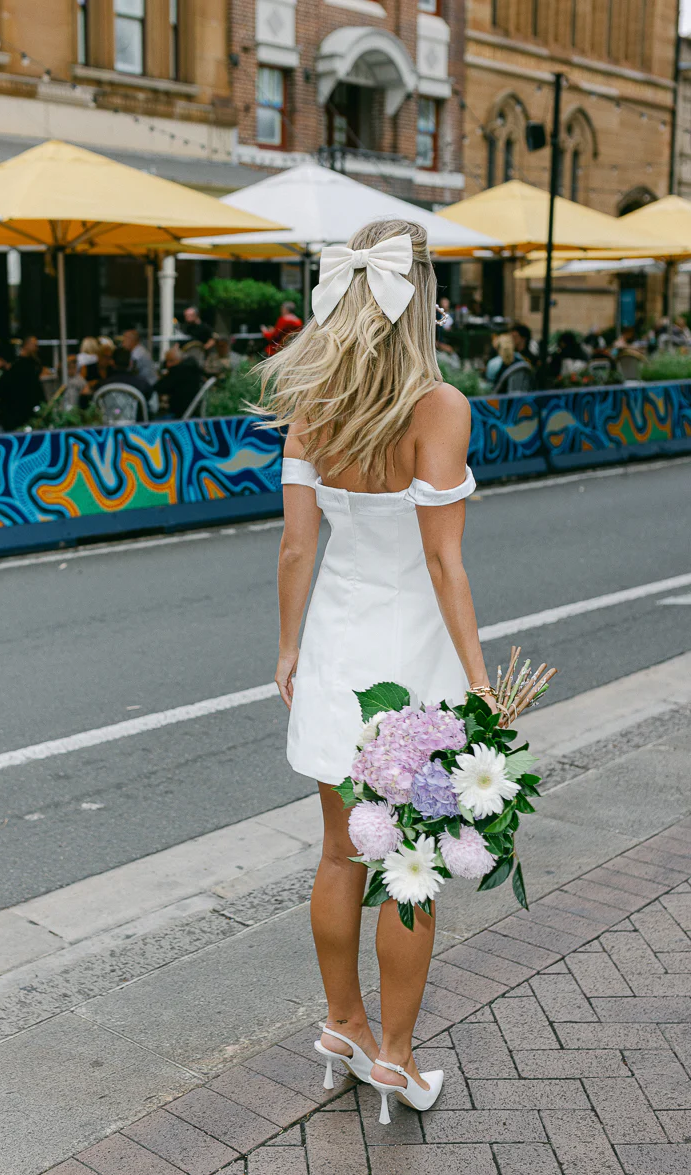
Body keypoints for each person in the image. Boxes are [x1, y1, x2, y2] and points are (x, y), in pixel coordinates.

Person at [256, 219, 496, 1122]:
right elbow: (444, 564)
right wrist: (478, 681)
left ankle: (342, 1024)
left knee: (335, 852)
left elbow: (294, 545)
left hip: (334, 645)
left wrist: (287, 650)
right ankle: (395, 1057)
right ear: (422, 296)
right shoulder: (441, 407)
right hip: (412, 655)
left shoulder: (314, 401)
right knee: (409, 859)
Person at [0, 340, 45, 431]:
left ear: (0, 359)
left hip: (14, 426)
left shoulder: (9, 376)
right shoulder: (26, 367)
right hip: (34, 420)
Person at [153, 344, 204, 418]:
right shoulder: (192, 368)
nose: (168, 364)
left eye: (171, 361)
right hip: (193, 411)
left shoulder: (177, 370)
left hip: (179, 415)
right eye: (166, 361)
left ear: (179, 359)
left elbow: (159, 387)